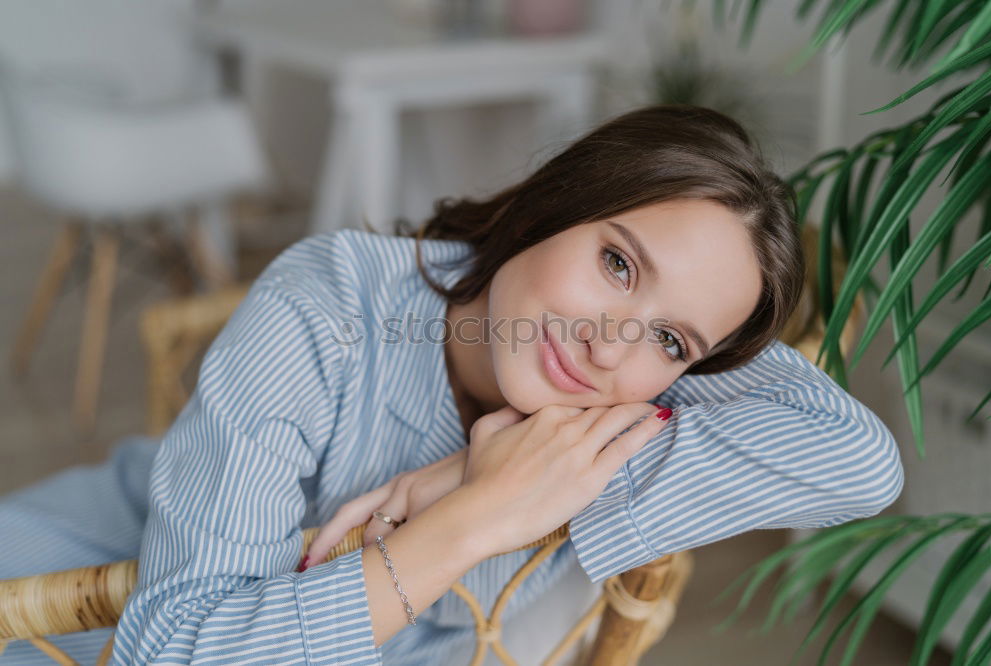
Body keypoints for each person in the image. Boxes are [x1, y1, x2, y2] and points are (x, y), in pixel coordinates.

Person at [0, 105, 904, 665]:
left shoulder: (629, 395)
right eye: (619, 265)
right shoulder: (330, 306)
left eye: (672, 337)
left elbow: (863, 464)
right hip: (73, 588)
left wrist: (477, 479)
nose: (606, 342)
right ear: (559, 200)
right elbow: (173, 656)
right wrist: (475, 514)